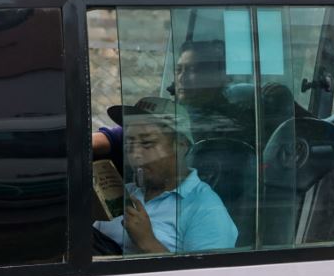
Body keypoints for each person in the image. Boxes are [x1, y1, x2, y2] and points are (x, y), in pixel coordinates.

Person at [92, 103, 237, 255]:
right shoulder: (125, 192)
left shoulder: (204, 207)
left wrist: (148, 242)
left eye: (147, 143)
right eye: (130, 145)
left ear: (180, 145)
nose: (135, 155)